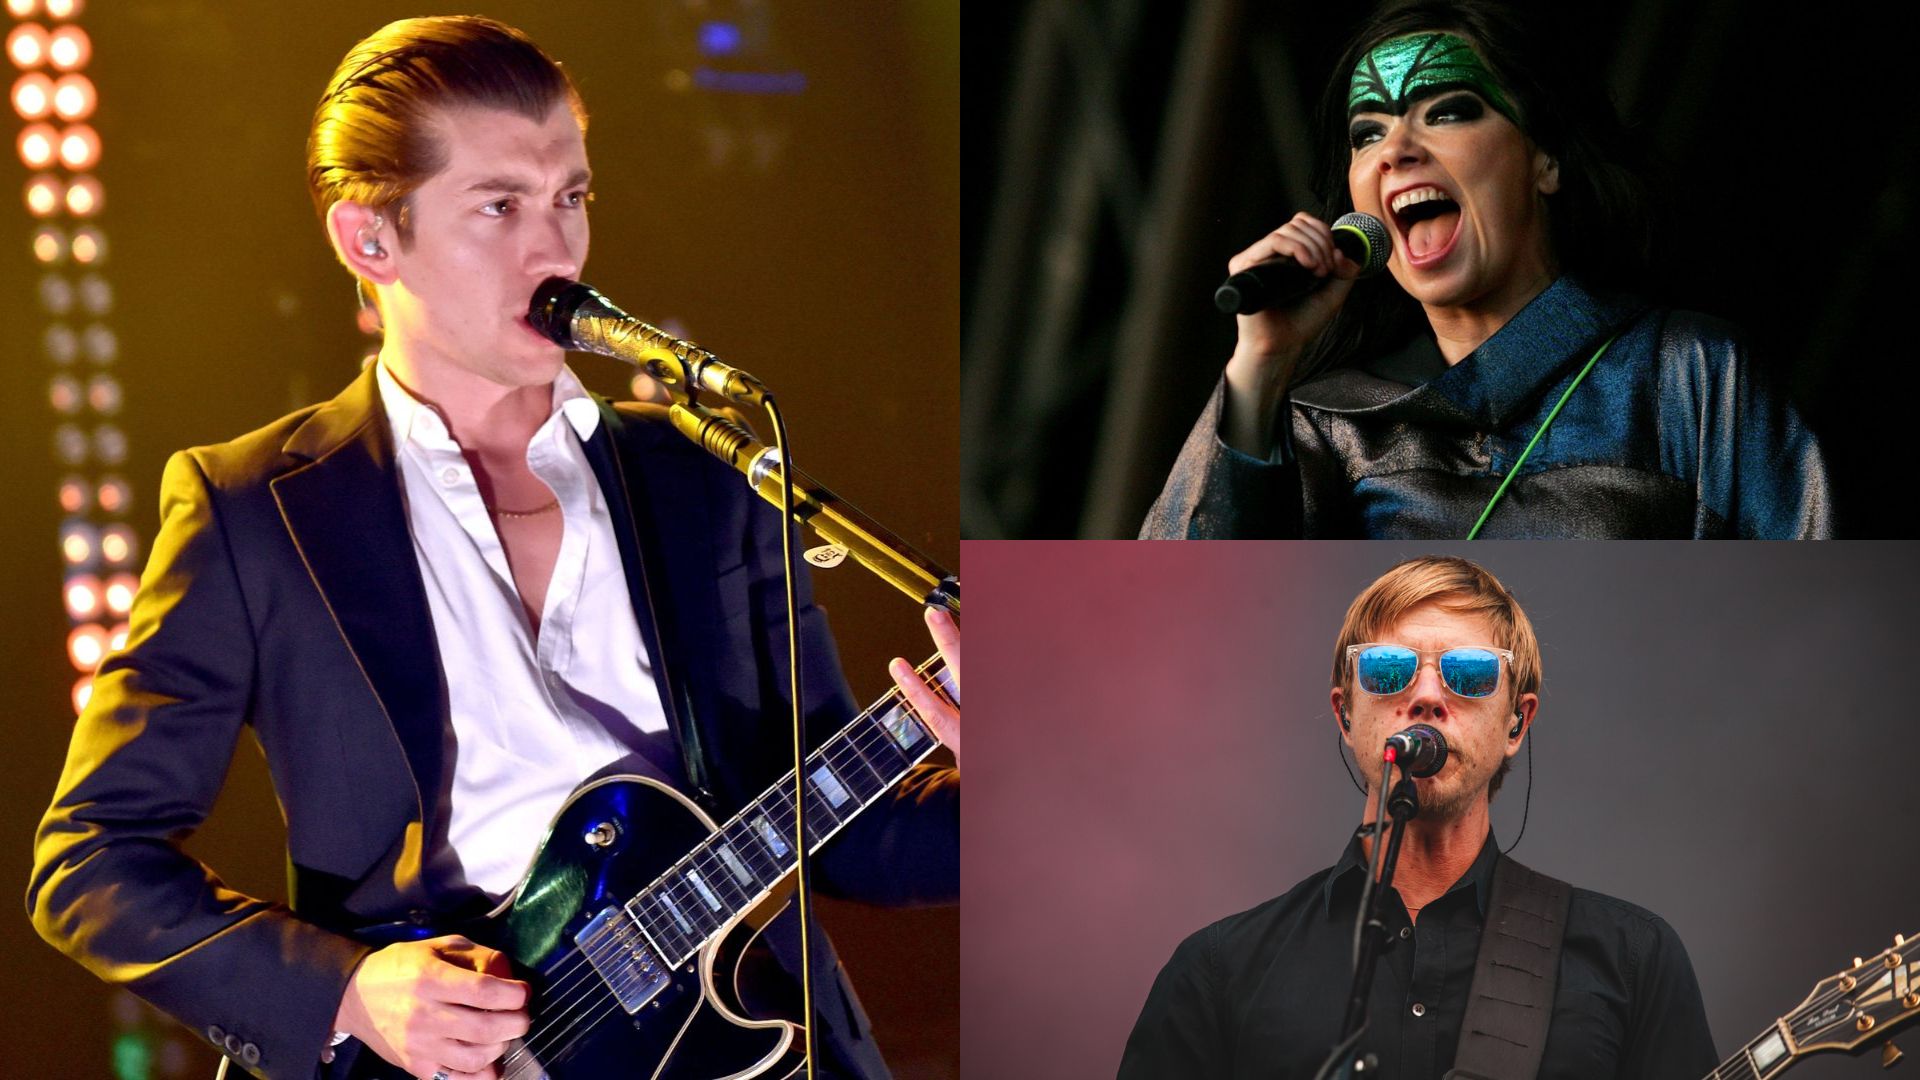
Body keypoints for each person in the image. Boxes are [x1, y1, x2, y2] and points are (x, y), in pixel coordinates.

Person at [27, 17, 958, 1080]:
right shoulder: (253, 510)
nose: (554, 248)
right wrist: (344, 990)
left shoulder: (704, 479)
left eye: (570, 197)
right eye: (499, 206)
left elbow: (850, 828)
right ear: (370, 242)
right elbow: (90, 861)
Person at [1139, 0, 1832, 538]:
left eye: (1447, 111)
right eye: (1367, 133)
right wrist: (1259, 365)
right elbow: (1180, 637)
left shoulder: (1689, 376)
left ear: (1545, 159)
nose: (1395, 151)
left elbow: (1811, 632)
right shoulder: (1330, 426)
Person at [1116, 555, 1716, 1078]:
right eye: (1387, 669)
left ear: (1517, 722)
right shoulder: (1219, 969)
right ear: (1345, 714)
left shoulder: (1632, 957)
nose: (1428, 695)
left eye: (1470, 673)